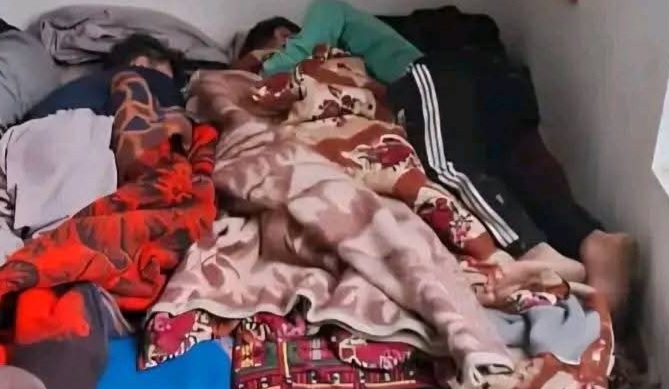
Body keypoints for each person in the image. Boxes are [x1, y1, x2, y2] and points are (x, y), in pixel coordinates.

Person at [244, 0, 635, 316]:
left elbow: (290, 61)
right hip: (470, 80)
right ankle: (592, 239)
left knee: (447, 166)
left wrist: (251, 69)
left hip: (425, 76)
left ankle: (533, 249)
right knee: (503, 171)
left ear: (282, 35)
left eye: (275, 47)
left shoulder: (325, 10)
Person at [26, 34, 185, 120]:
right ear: (141, 64)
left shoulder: (84, 88)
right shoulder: (150, 81)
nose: (167, 86)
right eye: (164, 77)